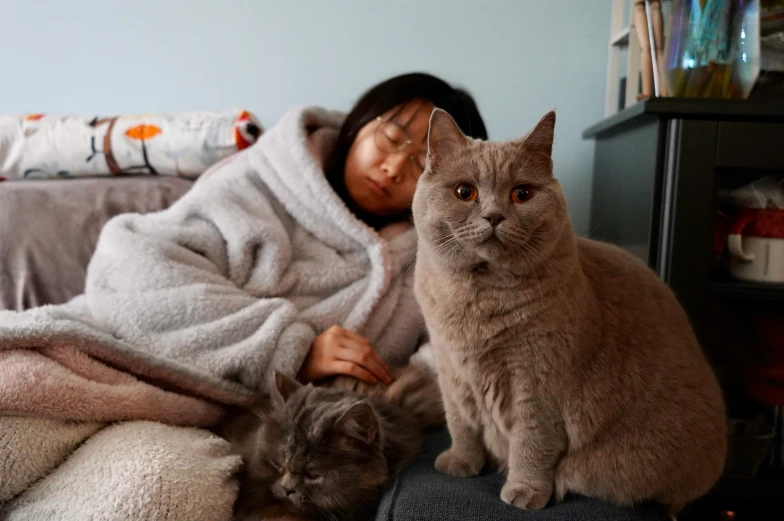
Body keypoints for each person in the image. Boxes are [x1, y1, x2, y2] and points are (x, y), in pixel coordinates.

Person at [0, 72, 487, 521]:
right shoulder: (262, 180)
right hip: (106, 362)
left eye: (424, 163)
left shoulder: (438, 256)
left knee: (150, 494)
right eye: (391, 138)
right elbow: (131, 265)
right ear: (361, 121)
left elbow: (465, 343)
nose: (394, 166)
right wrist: (289, 344)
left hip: (215, 430)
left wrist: (405, 386)